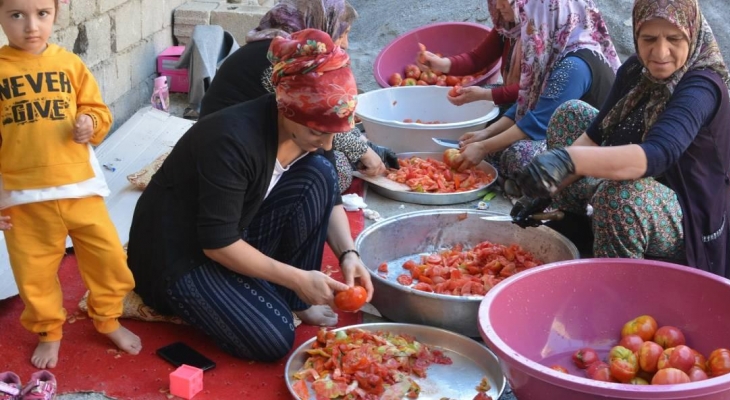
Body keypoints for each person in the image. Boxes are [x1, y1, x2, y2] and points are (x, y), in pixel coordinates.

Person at [126, 29, 375, 362]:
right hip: (179, 257)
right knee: (272, 339)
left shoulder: (310, 131)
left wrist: (348, 254)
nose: (328, 144)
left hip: (236, 228)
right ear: (287, 110)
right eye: (318, 132)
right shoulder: (231, 139)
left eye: (334, 134)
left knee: (322, 173)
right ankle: (285, 292)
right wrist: (298, 278)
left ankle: (293, 298)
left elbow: (329, 199)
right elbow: (218, 243)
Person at [512, 0, 730, 280]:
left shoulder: (701, 87)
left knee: (620, 198)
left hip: (687, 213)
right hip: (634, 180)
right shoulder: (635, 70)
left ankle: (617, 287)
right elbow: (595, 135)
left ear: (692, 33)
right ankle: (575, 228)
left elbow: (658, 154)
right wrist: (544, 190)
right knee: (571, 114)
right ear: (636, 35)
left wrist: (566, 160)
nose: (660, 52)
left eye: (674, 38)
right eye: (649, 38)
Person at [0, 0, 141, 369]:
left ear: (55, 15)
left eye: (42, 14)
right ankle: (49, 332)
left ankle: (107, 318)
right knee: (34, 275)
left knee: (110, 261)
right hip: (22, 199)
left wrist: (89, 123)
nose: (31, 25)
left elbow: (97, 109)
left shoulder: (69, 64)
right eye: (16, 15)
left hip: (80, 187)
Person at [200, 0, 398, 194]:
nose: (345, 43)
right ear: (322, 23)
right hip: (229, 149)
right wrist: (364, 152)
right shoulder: (284, 59)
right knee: (335, 171)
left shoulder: (286, 49)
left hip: (254, 135)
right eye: (343, 33)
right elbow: (316, 119)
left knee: (334, 159)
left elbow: (325, 120)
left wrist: (368, 148)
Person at [448, 0, 621, 195]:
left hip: (591, 158)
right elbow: (529, 101)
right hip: (561, 139)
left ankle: (547, 193)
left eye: (530, 21)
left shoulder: (574, 65)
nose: (528, 30)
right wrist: (485, 135)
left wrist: (483, 147)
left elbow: (538, 122)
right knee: (493, 141)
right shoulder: (558, 49)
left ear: (549, 17)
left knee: (519, 156)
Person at [418, 0, 521, 110]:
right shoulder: (508, 27)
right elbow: (477, 59)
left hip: (534, 109)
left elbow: (533, 91)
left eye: (506, 1)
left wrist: (486, 94)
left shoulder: (538, 41)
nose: (499, 6)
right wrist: (441, 64)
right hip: (512, 98)